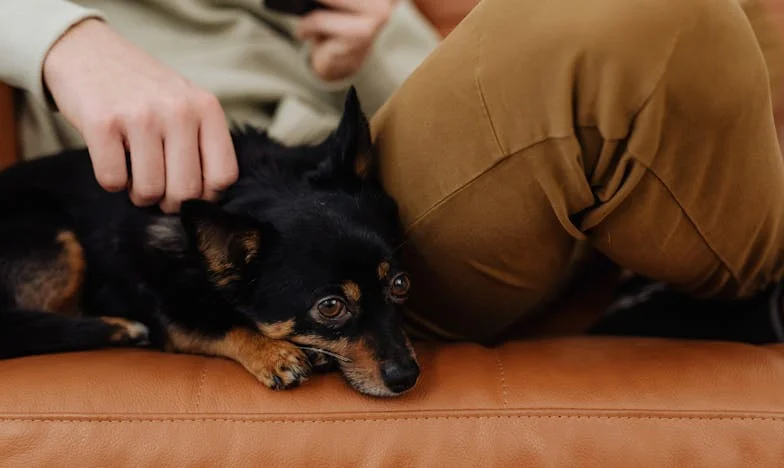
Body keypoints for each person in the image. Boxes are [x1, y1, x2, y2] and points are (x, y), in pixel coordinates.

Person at [2, 0, 784, 345]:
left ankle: (661, 269)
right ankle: (736, 284)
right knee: (651, 17)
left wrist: (391, 41)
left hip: (369, 175)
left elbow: (465, 109)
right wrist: (59, 39)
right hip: (270, 235)